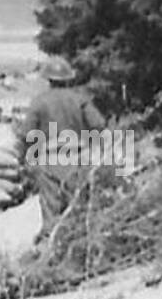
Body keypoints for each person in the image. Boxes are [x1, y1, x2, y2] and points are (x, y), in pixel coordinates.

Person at [20, 58, 108, 240]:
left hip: (49, 162)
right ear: (68, 79)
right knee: (78, 208)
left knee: (52, 211)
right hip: (78, 160)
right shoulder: (80, 100)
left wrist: (29, 159)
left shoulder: (39, 102)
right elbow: (99, 125)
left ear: (48, 79)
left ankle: (52, 250)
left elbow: (27, 134)